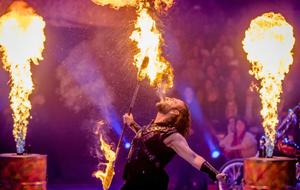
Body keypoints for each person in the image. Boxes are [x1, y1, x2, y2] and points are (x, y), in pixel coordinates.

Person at [121, 97, 226, 190]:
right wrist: (132, 124)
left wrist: (214, 173)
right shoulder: (151, 128)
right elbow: (145, 139)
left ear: (175, 112)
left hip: (148, 183)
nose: (168, 98)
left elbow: (193, 157)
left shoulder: (172, 135)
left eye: (173, 101)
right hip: (133, 182)